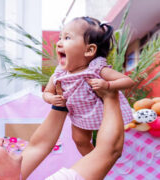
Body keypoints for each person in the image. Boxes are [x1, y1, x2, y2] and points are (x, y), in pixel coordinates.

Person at [0, 81, 125, 180]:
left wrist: (60, 101)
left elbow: (39, 145)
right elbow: (109, 150)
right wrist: (110, 95)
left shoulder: (5, 175)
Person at [43, 16, 134, 156]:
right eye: (60, 38)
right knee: (79, 139)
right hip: (80, 114)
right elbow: (47, 92)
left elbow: (127, 81)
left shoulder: (96, 69)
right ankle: (93, 164)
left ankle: (105, 161)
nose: (59, 43)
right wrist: (51, 99)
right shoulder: (59, 74)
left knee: (108, 143)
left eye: (67, 38)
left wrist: (108, 84)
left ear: (89, 50)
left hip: (104, 113)